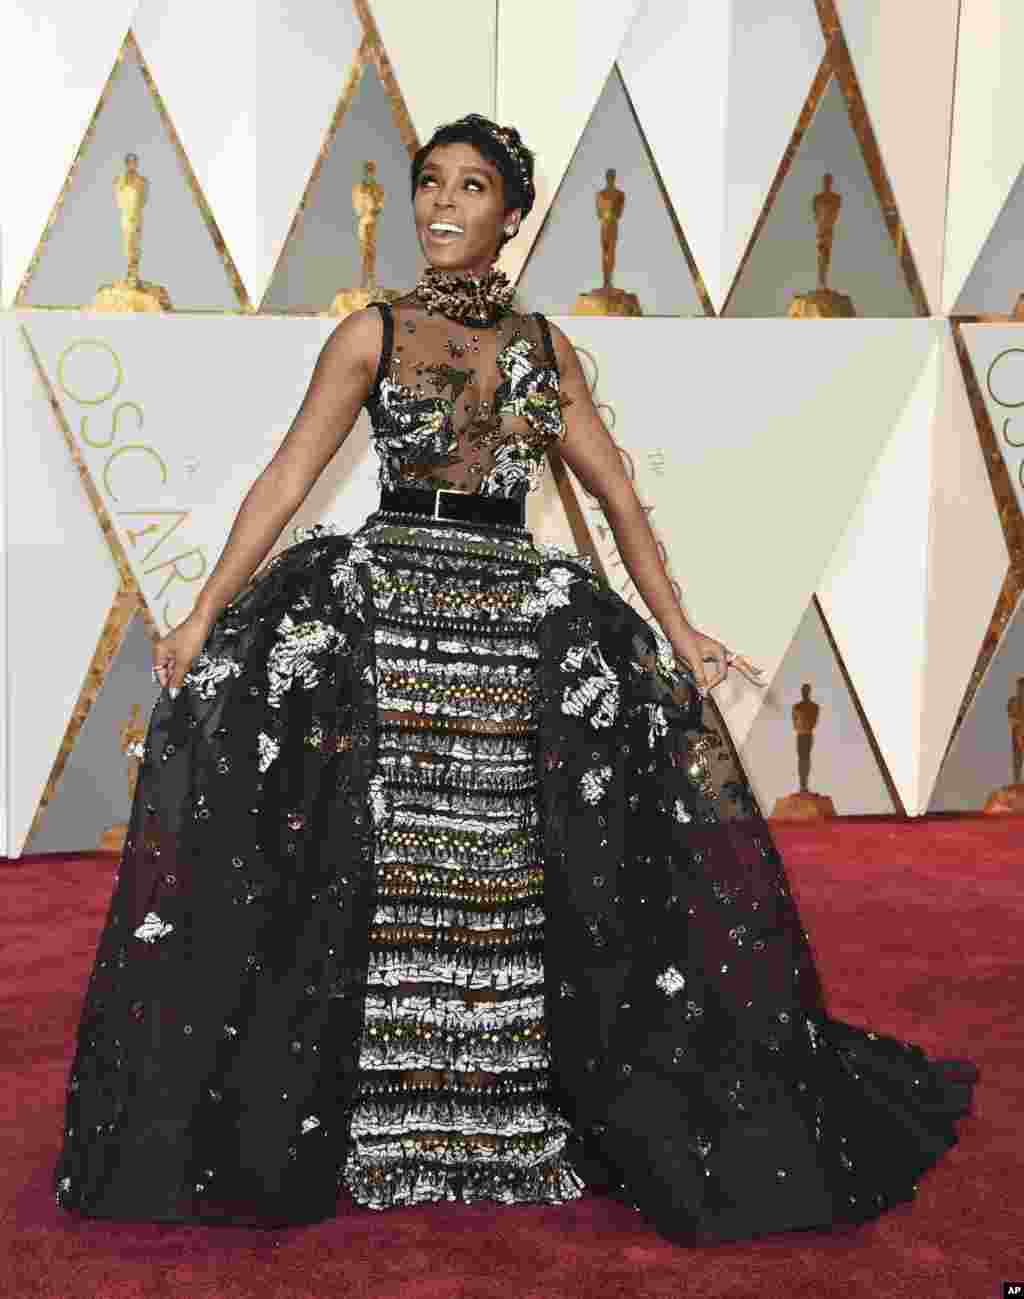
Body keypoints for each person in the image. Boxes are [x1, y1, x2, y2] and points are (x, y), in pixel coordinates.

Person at [53, 113, 977, 1248]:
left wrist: (678, 628)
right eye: (429, 183)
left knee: (499, 871)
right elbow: (286, 479)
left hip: (510, 627)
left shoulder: (545, 346)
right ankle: (376, 1130)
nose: (442, 204)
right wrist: (201, 611)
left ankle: (498, 1122)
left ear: (510, 213)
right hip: (385, 616)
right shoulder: (370, 333)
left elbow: (619, 497)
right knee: (386, 864)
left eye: (471, 186)